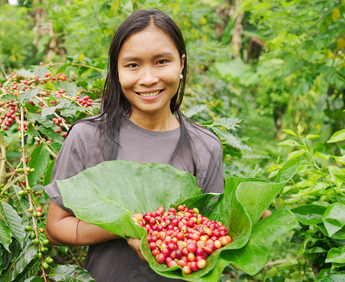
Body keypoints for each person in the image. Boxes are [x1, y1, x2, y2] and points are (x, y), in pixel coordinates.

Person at [44, 8, 224, 281]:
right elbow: (56, 229)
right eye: (133, 65)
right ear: (116, 70)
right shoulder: (88, 136)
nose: (148, 78)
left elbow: (211, 236)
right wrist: (135, 225)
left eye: (162, 61)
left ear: (182, 63)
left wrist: (244, 221)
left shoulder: (205, 146)